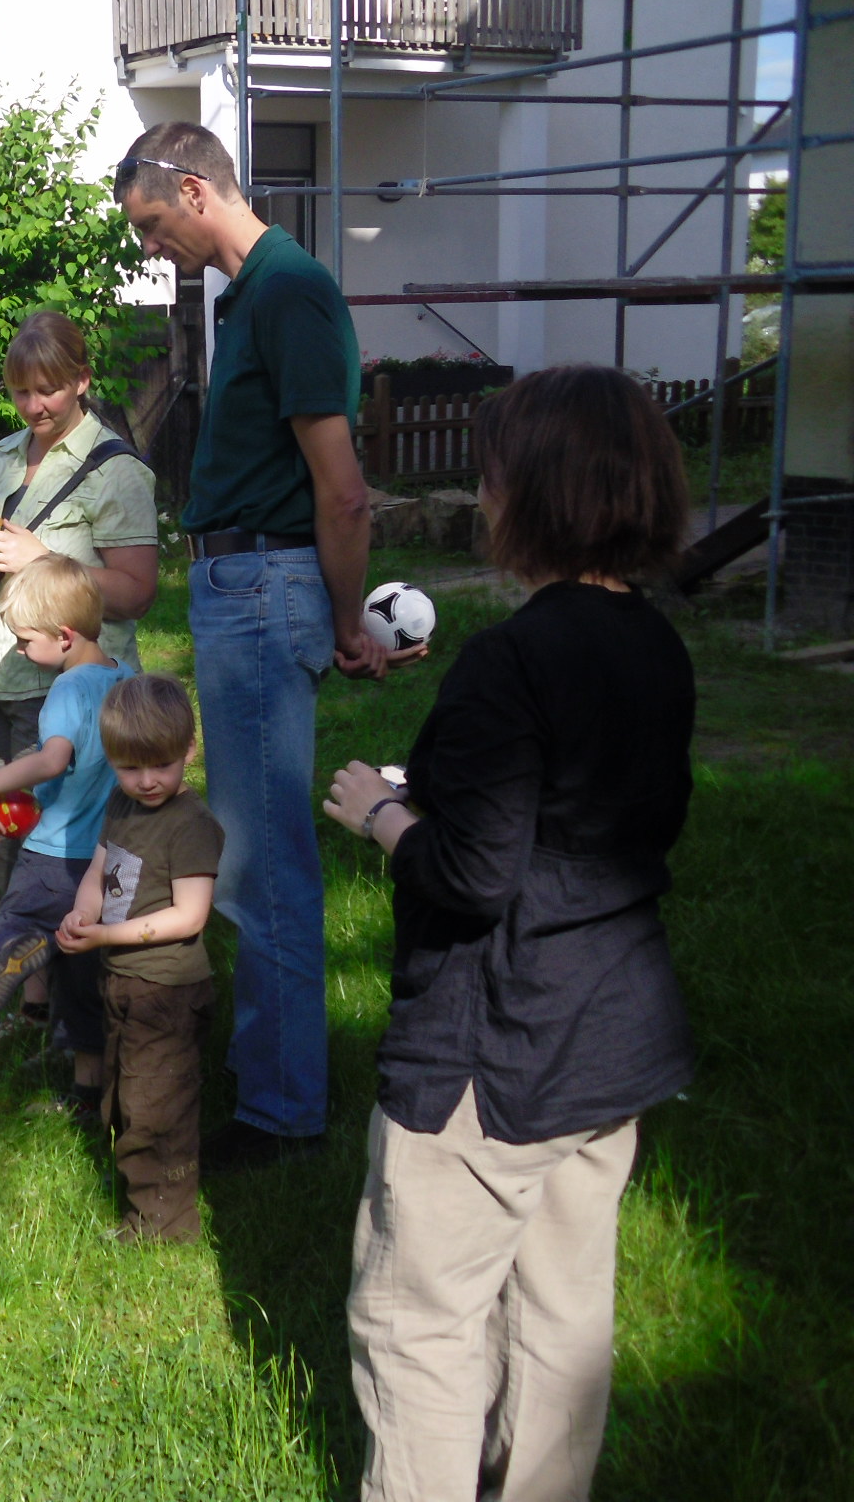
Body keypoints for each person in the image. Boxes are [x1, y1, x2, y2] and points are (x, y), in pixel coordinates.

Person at [322, 366, 696, 1501]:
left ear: (534, 493)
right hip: (610, 1032)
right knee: (561, 1308)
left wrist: (381, 814)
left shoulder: (512, 661)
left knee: (418, 1323)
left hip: (496, 1044)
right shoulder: (655, 642)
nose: (482, 497)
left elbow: (475, 874)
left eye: (491, 476)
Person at [114, 122, 415, 1171]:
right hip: (243, 587)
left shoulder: (288, 292)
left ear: (194, 191)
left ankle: (282, 1111)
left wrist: (344, 619)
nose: (151, 248)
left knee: (261, 864)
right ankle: (268, 1077)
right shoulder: (247, 295)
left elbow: (343, 489)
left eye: (152, 224)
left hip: (259, 590)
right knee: (252, 851)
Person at [0, 311, 159, 910]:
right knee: (1, 847)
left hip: (64, 690)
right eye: (21, 391)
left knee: (61, 859)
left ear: (82, 380)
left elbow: (137, 592)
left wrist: (41, 559)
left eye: (48, 390)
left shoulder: (116, 471)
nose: (33, 406)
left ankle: (77, 961)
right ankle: (14, 964)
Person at [56, 673, 223, 1243]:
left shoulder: (192, 825)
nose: (146, 781)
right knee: (126, 1093)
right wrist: (84, 914)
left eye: (161, 765)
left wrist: (105, 937)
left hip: (167, 990)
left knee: (158, 1106)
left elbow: (190, 916)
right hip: (122, 979)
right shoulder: (122, 803)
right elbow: (100, 869)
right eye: (129, 768)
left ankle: (164, 1222)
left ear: (189, 751)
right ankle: (140, 1189)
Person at [0, 554, 134, 1114]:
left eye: (24, 641)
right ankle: (88, 1096)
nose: (21, 651)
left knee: (8, 936)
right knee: (85, 977)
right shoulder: (124, 678)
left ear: (64, 637)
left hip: (56, 854)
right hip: (108, 861)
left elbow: (54, 758)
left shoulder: (67, 690)